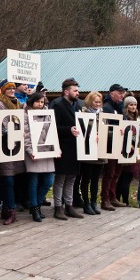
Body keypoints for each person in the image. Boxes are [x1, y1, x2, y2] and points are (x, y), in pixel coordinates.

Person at [0, 82, 25, 224]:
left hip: (16, 146)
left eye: (13, 88)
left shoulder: (19, 103)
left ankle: (7, 209)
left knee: (14, 179)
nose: (12, 90)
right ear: (4, 91)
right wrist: (13, 132)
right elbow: (0, 123)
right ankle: (10, 210)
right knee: (8, 179)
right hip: (5, 146)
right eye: (9, 89)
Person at [51, 78, 83, 220]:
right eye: (75, 90)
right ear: (66, 91)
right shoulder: (57, 105)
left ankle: (69, 205)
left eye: (77, 90)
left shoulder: (78, 105)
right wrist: (68, 130)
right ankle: (58, 207)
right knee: (60, 178)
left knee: (71, 178)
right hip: (63, 146)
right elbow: (52, 127)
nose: (78, 92)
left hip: (75, 147)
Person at [23, 92, 54, 222]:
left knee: (48, 181)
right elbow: (26, 135)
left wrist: (55, 149)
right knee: (34, 182)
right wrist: (30, 151)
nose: (40, 105)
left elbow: (52, 132)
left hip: (47, 152)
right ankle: (35, 208)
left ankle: (37, 203)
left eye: (42, 102)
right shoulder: (25, 115)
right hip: (33, 152)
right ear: (32, 102)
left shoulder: (48, 114)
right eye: (38, 102)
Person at [79, 91, 106, 215]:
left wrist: (117, 132)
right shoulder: (83, 113)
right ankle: (86, 203)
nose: (97, 104)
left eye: (99, 102)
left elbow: (107, 130)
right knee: (86, 178)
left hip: (100, 151)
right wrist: (91, 134)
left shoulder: (103, 115)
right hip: (88, 150)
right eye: (95, 102)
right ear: (90, 101)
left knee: (96, 179)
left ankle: (94, 202)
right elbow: (82, 129)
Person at [100, 83, 127, 210]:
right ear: (112, 93)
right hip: (110, 145)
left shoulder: (119, 107)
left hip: (118, 145)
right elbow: (104, 128)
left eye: (123, 93)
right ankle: (105, 199)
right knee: (109, 173)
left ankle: (112, 197)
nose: (122, 95)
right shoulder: (107, 108)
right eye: (120, 93)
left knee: (116, 173)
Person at [116, 95, 140, 205]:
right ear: (126, 106)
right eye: (131, 104)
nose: (133, 107)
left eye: (135, 104)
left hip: (135, 151)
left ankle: (124, 200)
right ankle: (122, 200)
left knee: (127, 178)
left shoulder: (137, 119)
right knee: (123, 178)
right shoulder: (124, 118)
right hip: (125, 152)